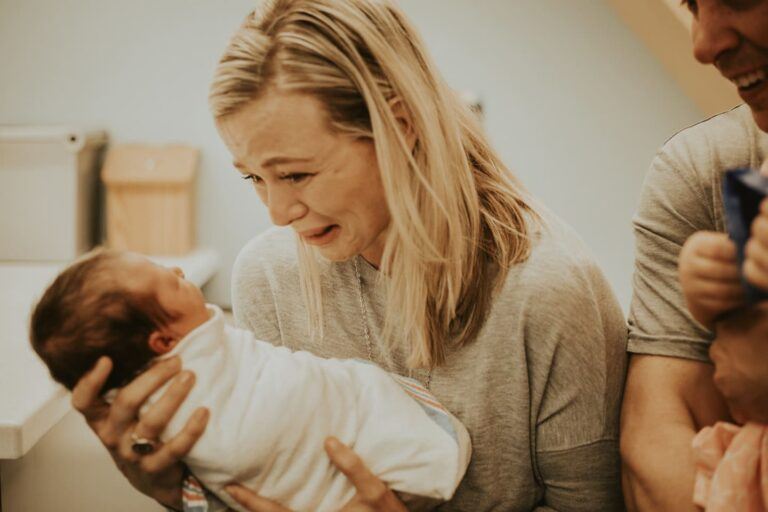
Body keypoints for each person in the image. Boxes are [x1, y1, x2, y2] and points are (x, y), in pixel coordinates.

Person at [71, 1, 628, 510]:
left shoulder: (550, 291)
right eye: (253, 177)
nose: (277, 211)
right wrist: (185, 492)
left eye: (296, 173)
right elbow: (269, 484)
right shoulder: (269, 277)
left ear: (399, 128)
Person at [30, 248, 471, 511]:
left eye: (297, 173)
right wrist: (175, 493)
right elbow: (245, 439)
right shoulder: (260, 281)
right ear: (163, 342)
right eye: (256, 176)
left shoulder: (534, 287)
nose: (181, 273)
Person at [620, 1, 768, 510]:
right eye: (691, 4)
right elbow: (657, 432)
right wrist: (711, 290)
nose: (703, 45)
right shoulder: (729, 178)